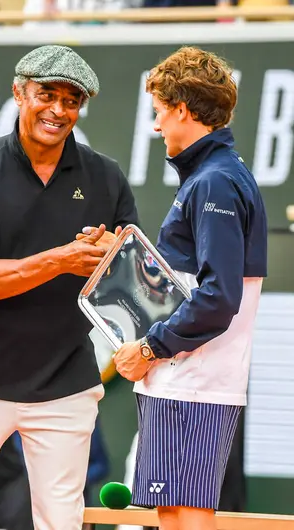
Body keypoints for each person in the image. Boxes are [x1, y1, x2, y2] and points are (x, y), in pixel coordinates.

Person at [0, 44, 139, 530]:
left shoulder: (106, 176)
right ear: (19, 93)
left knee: (61, 521)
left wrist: (106, 254)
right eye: (48, 95)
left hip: (65, 382)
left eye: (72, 100)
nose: (59, 111)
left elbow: (129, 274)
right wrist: (62, 259)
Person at [112, 46, 267, 530]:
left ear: (182, 109)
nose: (156, 126)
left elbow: (219, 297)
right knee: (173, 518)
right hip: (186, 383)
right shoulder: (212, 177)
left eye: (159, 112)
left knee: (186, 520)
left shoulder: (215, 182)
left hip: (193, 383)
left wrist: (150, 348)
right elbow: (191, 281)